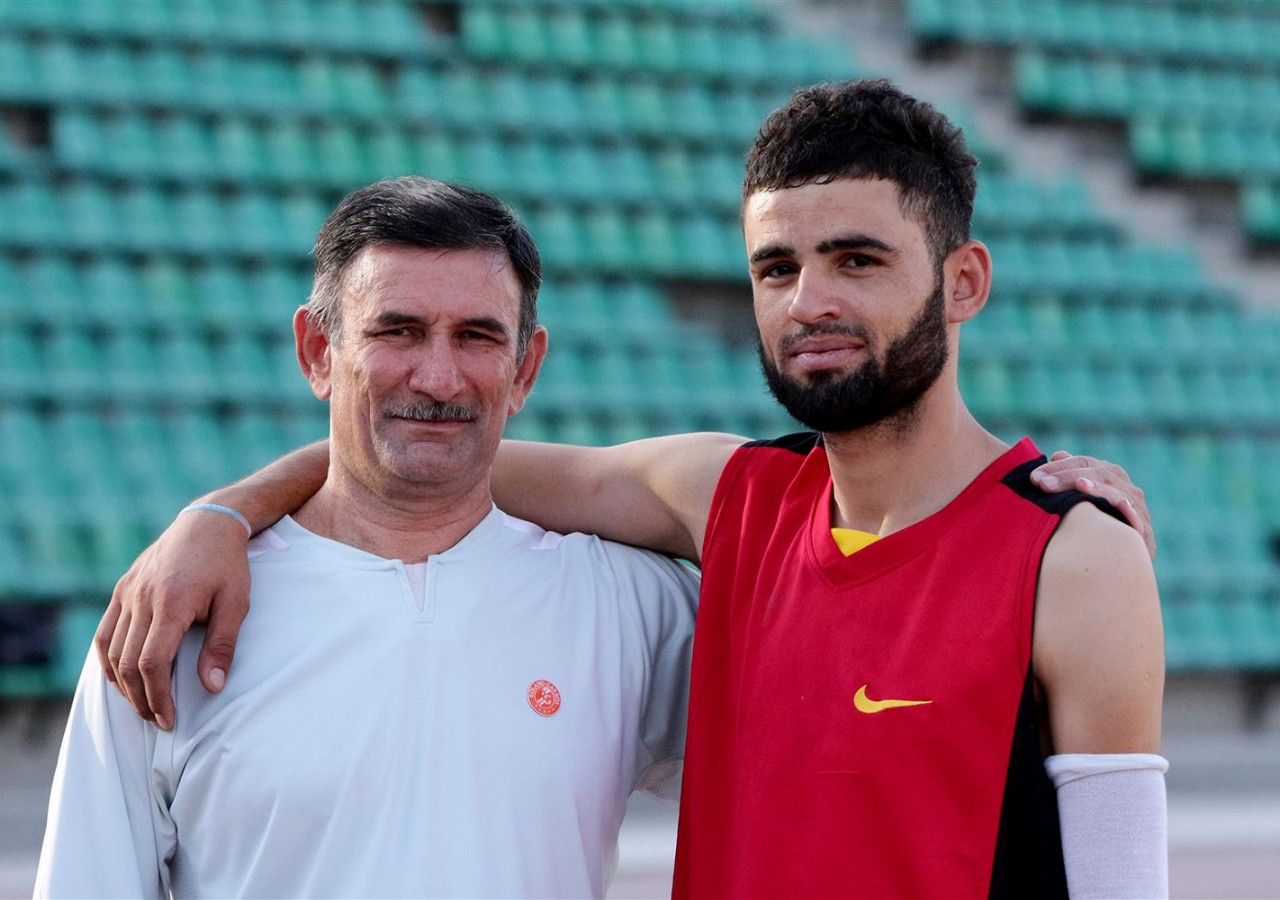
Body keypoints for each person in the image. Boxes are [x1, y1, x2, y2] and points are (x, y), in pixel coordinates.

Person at [97, 82, 1163, 898]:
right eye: (775, 267)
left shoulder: (1073, 557)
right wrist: (220, 515)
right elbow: (419, 457)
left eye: (856, 260)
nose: (809, 301)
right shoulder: (722, 496)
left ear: (961, 281)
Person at [36, 178, 699, 899]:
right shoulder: (169, 622)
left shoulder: (631, 605)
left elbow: (809, 788)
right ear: (318, 352)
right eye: (398, 331)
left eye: (477, 337)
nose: (439, 378)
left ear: (525, 369)